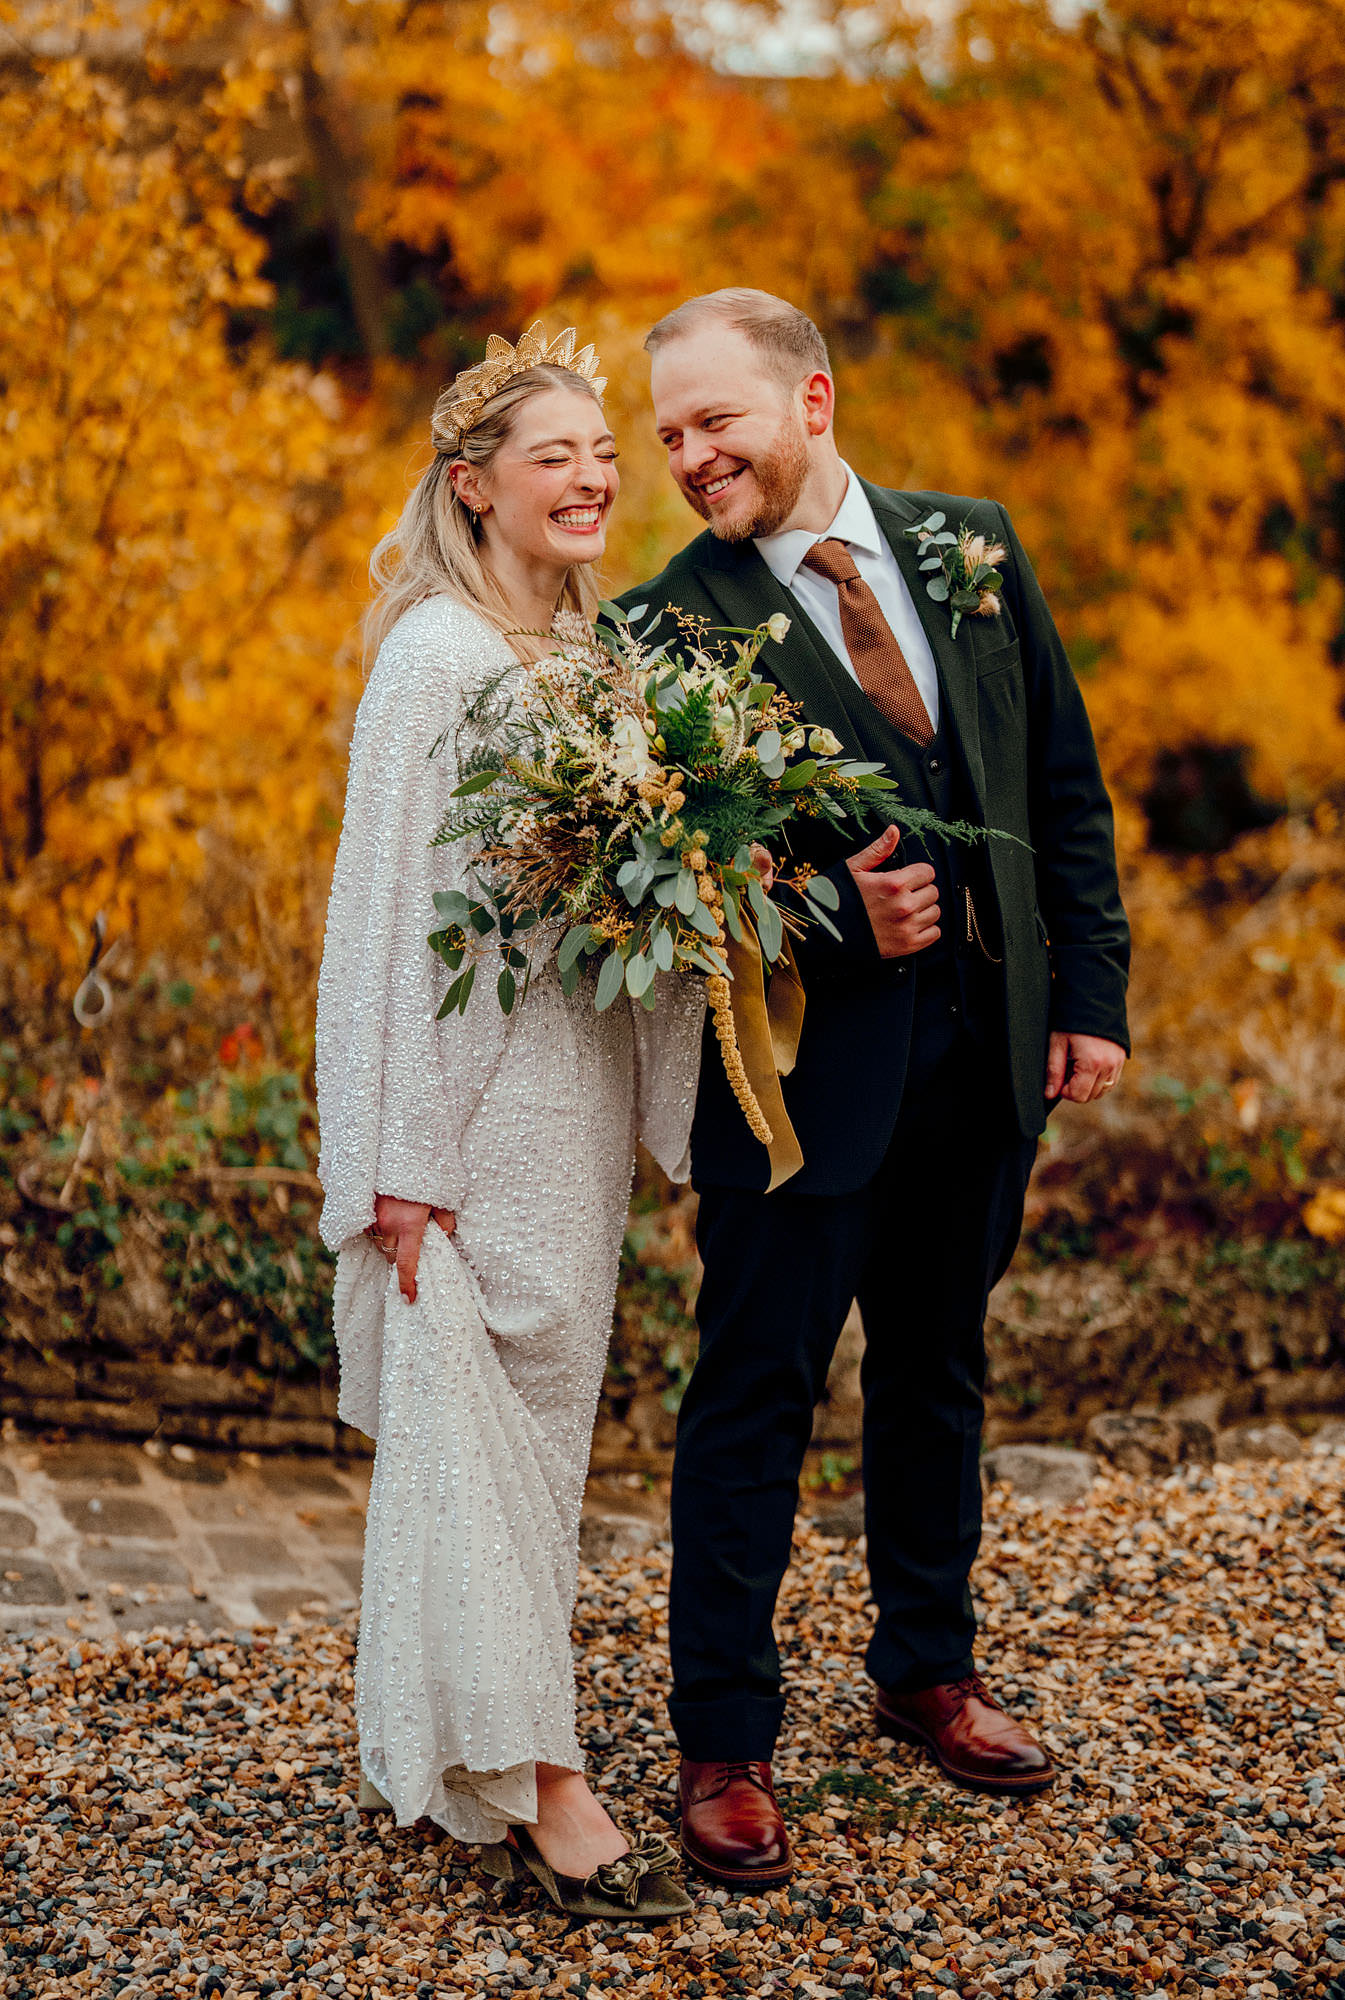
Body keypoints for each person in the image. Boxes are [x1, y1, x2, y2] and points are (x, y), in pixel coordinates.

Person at [618, 288, 1130, 1888]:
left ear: (814, 402)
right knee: (754, 1397)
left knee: (936, 1368)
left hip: (983, 1063)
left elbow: (1061, 782)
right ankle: (723, 1742)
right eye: (671, 437)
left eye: (718, 423)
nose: (692, 459)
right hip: (793, 1089)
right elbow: (649, 895)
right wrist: (838, 924)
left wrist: (1087, 994)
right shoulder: (658, 628)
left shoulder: (969, 549)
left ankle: (926, 1670)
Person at [316, 325, 698, 1920]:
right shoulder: (436, 658)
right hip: (467, 1114)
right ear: (473, 488)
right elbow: (384, 923)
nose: (596, 477)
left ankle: (487, 1735)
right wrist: (398, 1166)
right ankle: (550, 1785)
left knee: (539, 1452)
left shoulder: (601, 661)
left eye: (604, 453)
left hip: (577, 1103)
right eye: (557, 457)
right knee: (471, 1435)